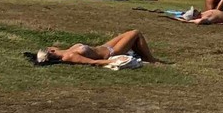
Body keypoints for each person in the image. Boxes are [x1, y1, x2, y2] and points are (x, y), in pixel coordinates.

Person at [28, 30, 158, 66]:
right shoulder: (69, 56)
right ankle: (151, 60)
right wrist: (112, 61)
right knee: (135, 33)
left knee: (130, 35)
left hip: (105, 46)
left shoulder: (61, 51)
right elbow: (93, 62)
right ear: (51, 52)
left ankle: (145, 56)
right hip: (111, 52)